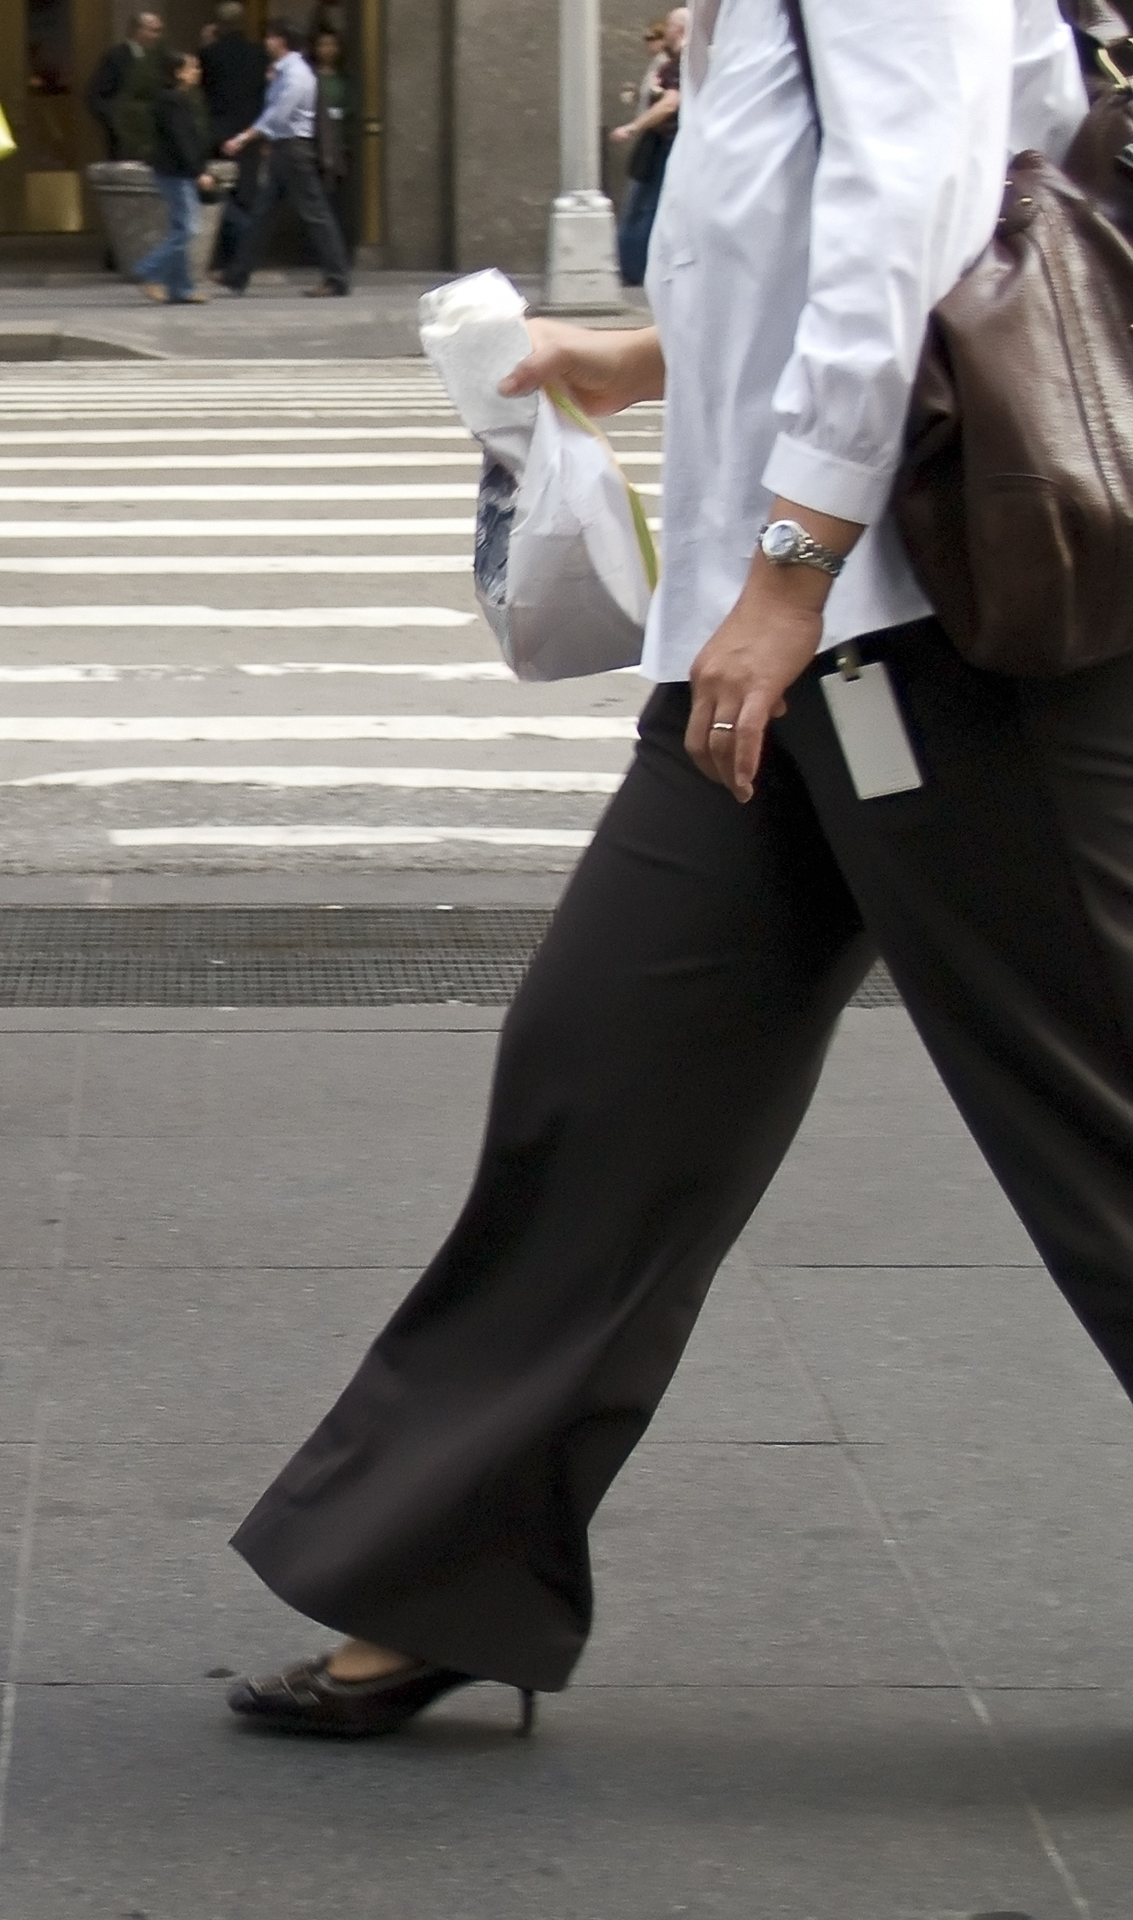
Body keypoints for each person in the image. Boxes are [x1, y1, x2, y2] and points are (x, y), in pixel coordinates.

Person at [224, 0, 1100, 1738]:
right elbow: (821, 239)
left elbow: (910, 227)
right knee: (600, 1080)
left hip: (936, 644)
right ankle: (436, 1567)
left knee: (1107, 1127)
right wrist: (638, 363)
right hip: (779, 661)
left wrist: (785, 569)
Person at [214, 20, 350, 297]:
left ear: (280, 41)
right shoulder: (283, 72)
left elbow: (277, 115)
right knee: (263, 213)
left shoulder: (297, 75)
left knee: (315, 214)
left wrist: (243, 138)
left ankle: (337, 277)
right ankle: (237, 274)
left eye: (270, 38)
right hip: (284, 148)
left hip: (294, 151)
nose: (266, 43)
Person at [128, 51, 214, 305]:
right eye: (192, 68)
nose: (197, 72)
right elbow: (181, 140)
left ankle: (181, 288)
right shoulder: (172, 101)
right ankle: (149, 271)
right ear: (177, 72)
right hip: (175, 172)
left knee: (180, 228)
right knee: (188, 228)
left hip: (175, 171)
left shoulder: (178, 99)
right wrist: (198, 171)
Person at [610, 9, 686, 289]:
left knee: (645, 207)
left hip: (665, 144)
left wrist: (633, 127)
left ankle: (635, 269)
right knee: (648, 206)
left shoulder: (678, 65)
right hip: (667, 143)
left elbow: (670, 104)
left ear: (677, 30)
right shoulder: (673, 65)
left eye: (665, 29)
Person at [199, 1, 268, 279]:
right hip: (251, 132)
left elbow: (202, 92)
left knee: (222, 197)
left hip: (219, 132)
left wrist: (205, 45)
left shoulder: (210, 54)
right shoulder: (258, 55)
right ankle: (242, 258)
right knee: (246, 195)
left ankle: (231, 258)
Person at [85, 11, 166, 163]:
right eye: (153, 31)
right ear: (138, 30)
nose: (158, 36)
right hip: (125, 140)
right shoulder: (117, 57)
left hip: (154, 137)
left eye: (159, 31)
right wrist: (118, 122)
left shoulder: (158, 59)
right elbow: (96, 96)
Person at [310, 25, 352, 241]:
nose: (327, 50)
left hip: (340, 145)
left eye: (331, 45)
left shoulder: (344, 79)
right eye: (322, 45)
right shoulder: (310, 78)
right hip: (315, 146)